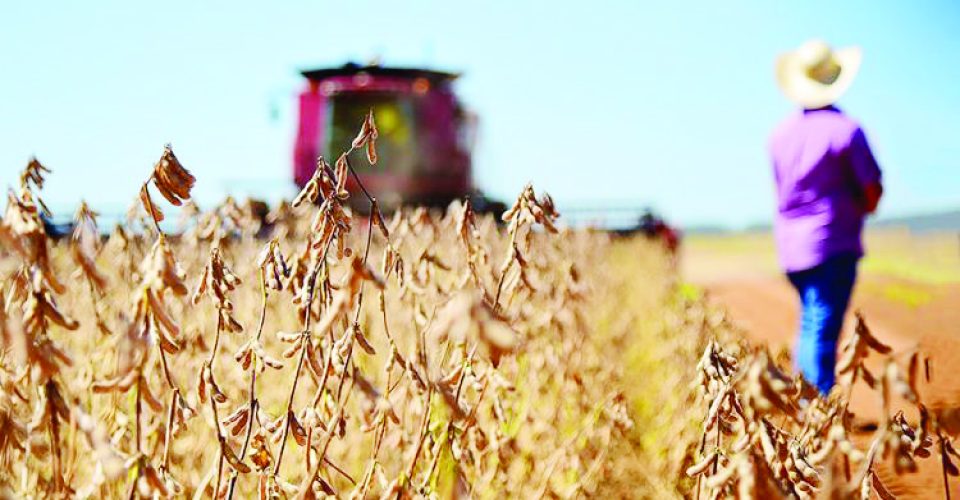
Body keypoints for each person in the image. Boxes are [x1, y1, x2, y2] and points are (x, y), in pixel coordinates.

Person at [769, 39, 883, 394]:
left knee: (810, 321)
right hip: (832, 243)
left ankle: (805, 399)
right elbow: (872, 189)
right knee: (820, 325)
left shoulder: (779, 135)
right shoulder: (846, 130)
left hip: (792, 248)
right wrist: (860, 208)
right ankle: (817, 408)